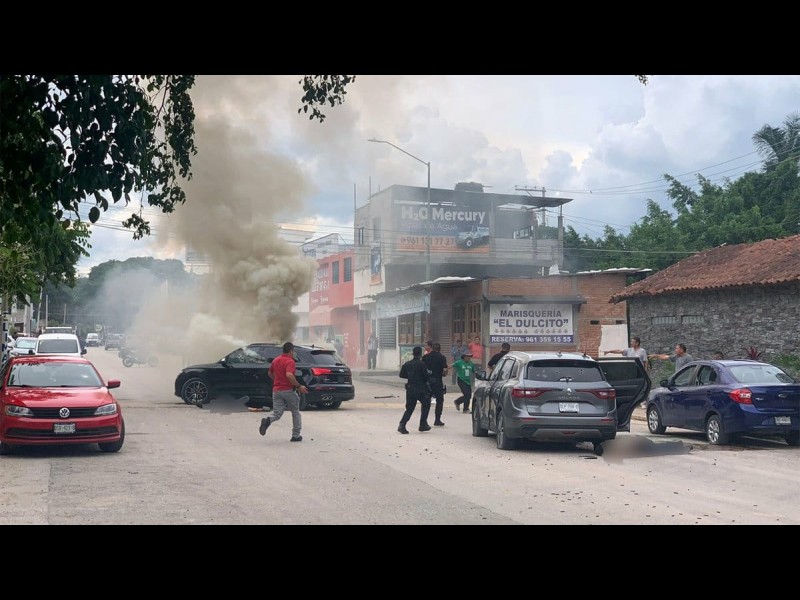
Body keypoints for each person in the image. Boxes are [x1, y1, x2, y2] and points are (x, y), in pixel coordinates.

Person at [258, 341, 308, 442]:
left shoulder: (276, 360)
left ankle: (268, 420)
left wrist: (277, 380)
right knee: (295, 412)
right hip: (288, 391)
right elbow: (289, 375)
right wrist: (299, 386)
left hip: (276, 390)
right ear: (291, 351)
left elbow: (270, 373)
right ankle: (296, 435)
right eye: (293, 351)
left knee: (277, 413)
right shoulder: (290, 361)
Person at [398, 346, 432, 434]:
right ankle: (423, 424)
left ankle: (402, 425)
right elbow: (426, 377)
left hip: (410, 388)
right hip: (420, 388)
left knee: (409, 408)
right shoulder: (422, 364)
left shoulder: (407, 364)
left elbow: (401, 375)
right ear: (420, 354)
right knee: (426, 404)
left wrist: (410, 376)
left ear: (413, 353)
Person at [422, 342, 449, 427]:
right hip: (437, 381)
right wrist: (444, 374)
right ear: (440, 349)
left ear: (432, 348)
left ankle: (424, 421)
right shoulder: (442, 357)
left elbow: (422, 368)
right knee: (439, 400)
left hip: (427, 381)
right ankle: (437, 420)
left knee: (426, 400)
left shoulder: (426, 357)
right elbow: (445, 370)